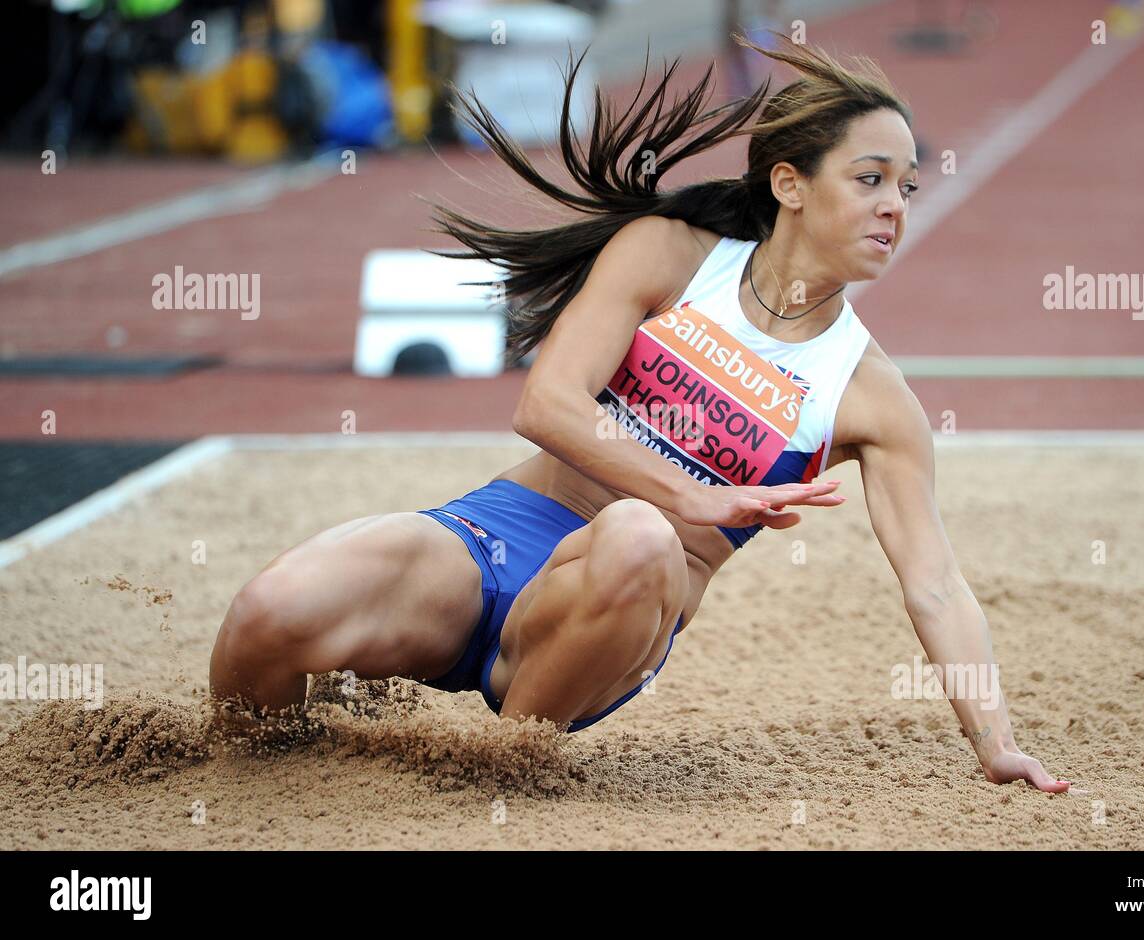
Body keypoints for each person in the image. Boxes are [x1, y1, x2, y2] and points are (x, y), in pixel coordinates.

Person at [208, 32, 1068, 792]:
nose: (895, 206)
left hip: (612, 609)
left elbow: (935, 583)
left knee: (640, 533)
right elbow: (545, 404)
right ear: (790, 185)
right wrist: (695, 495)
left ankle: (496, 778)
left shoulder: (871, 395)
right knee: (269, 612)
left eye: (908, 188)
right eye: (871, 179)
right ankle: (259, 773)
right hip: (493, 540)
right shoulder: (669, 254)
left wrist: (996, 744)